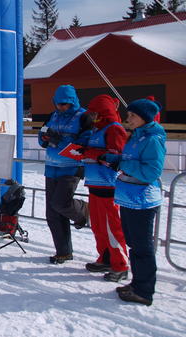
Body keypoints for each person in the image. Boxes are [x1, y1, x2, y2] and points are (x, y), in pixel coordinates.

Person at [99, 98, 166, 306]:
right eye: (128, 115)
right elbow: (130, 161)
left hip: (142, 200)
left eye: (132, 115)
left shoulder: (152, 139)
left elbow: (151, 171)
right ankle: (137, 284)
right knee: (133, 244)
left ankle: (144, 291)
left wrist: (123, 164)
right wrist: (116, 160)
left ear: (145, 117)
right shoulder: (137, 135)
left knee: (142, 247)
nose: (128, 119)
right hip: (129, 198)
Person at [76, 95, 129, 281]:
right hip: (95, 184)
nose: (92, 116)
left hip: (109, 186)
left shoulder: (114, 129)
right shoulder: (96, 130)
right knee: (98, 226)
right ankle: (106, 258)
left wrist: (89, 152)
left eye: (94, 113)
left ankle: (120, 265)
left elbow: (116, 156)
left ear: (103, 112)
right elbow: (96, 153)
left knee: (112, 228)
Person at [38, 84, 91, 264]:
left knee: (60, 203)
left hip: (71, 167)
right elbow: (41, 135)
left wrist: (59, 140)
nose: (60, 107)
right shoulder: (52, 116)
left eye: (64, 104)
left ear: (72, 101)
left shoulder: (83, 117)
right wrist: (44, 138)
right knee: (52, 213)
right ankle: (63, 251)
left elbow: (82, 148)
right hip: (51, 167)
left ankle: (83, 210)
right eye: (58, 104)